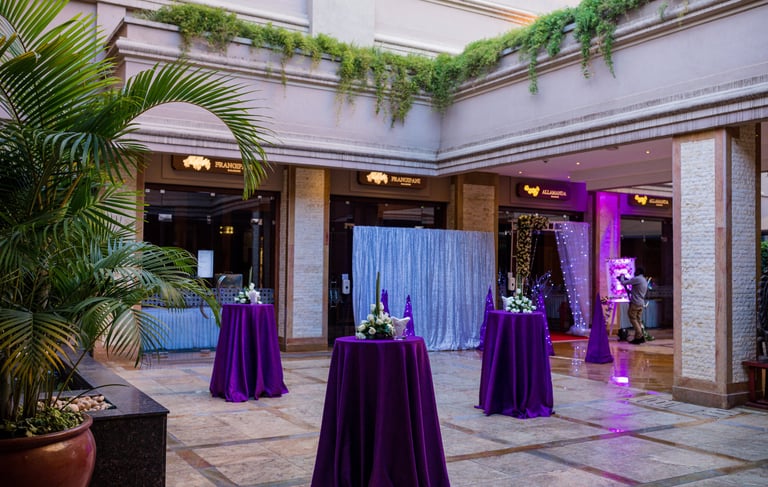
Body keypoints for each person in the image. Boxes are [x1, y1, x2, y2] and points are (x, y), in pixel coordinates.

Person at [618, 267, 650, 344]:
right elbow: (635, 290)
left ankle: (639, 336)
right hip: (640, 302)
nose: (634, 273)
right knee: (638, 320)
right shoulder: (643, 280)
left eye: (636, 271)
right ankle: (638, 337)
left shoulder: (638, 279)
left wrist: (622, 276)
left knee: (632, 318)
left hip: (635, 303)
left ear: (639, 272)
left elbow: (623, 282)